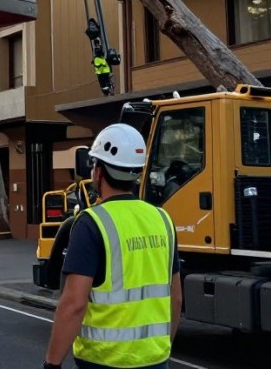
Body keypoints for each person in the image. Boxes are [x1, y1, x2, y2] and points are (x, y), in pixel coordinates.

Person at [43, 123, 181, 369]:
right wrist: (160, 351)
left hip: (103, 360)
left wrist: (52, 364)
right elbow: (176, 297)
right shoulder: (163, 219)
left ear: (98, 172)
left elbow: (74, 304)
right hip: (155, 360)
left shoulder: (91, 223)